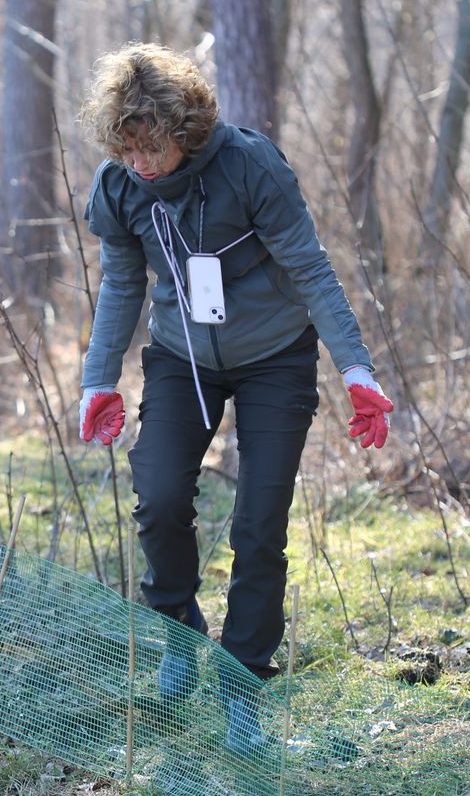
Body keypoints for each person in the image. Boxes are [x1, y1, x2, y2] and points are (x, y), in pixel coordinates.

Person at [75, 44, 393, 752]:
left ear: (182, 129)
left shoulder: (250, 166)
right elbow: (123, 285)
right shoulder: (119, 187)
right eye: (127, 146)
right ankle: (177, 633)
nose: (141, 161)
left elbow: (311, 269)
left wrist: (357, 369)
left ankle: (243, 681)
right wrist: (99, 379)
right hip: (180, 354)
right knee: (157, 497)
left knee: (258, 523)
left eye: (152, 145)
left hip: (275, 357)